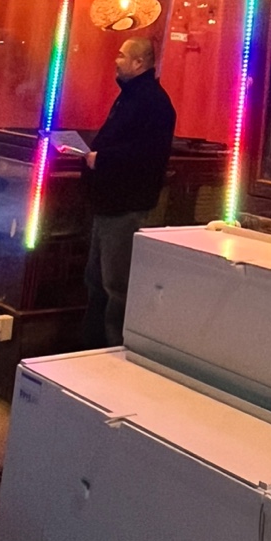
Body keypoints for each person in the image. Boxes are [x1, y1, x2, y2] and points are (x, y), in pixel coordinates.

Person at [80, 37, 176, 348]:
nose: (116, 60)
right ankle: (93, 346)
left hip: (125, 205)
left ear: (138, 62)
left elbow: (146, 154)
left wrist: (102, 159)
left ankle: (113, 348)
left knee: (115, 283)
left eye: (121, 56)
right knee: (97, 279)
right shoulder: (134, 97)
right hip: (110, 203)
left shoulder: (151, 102)